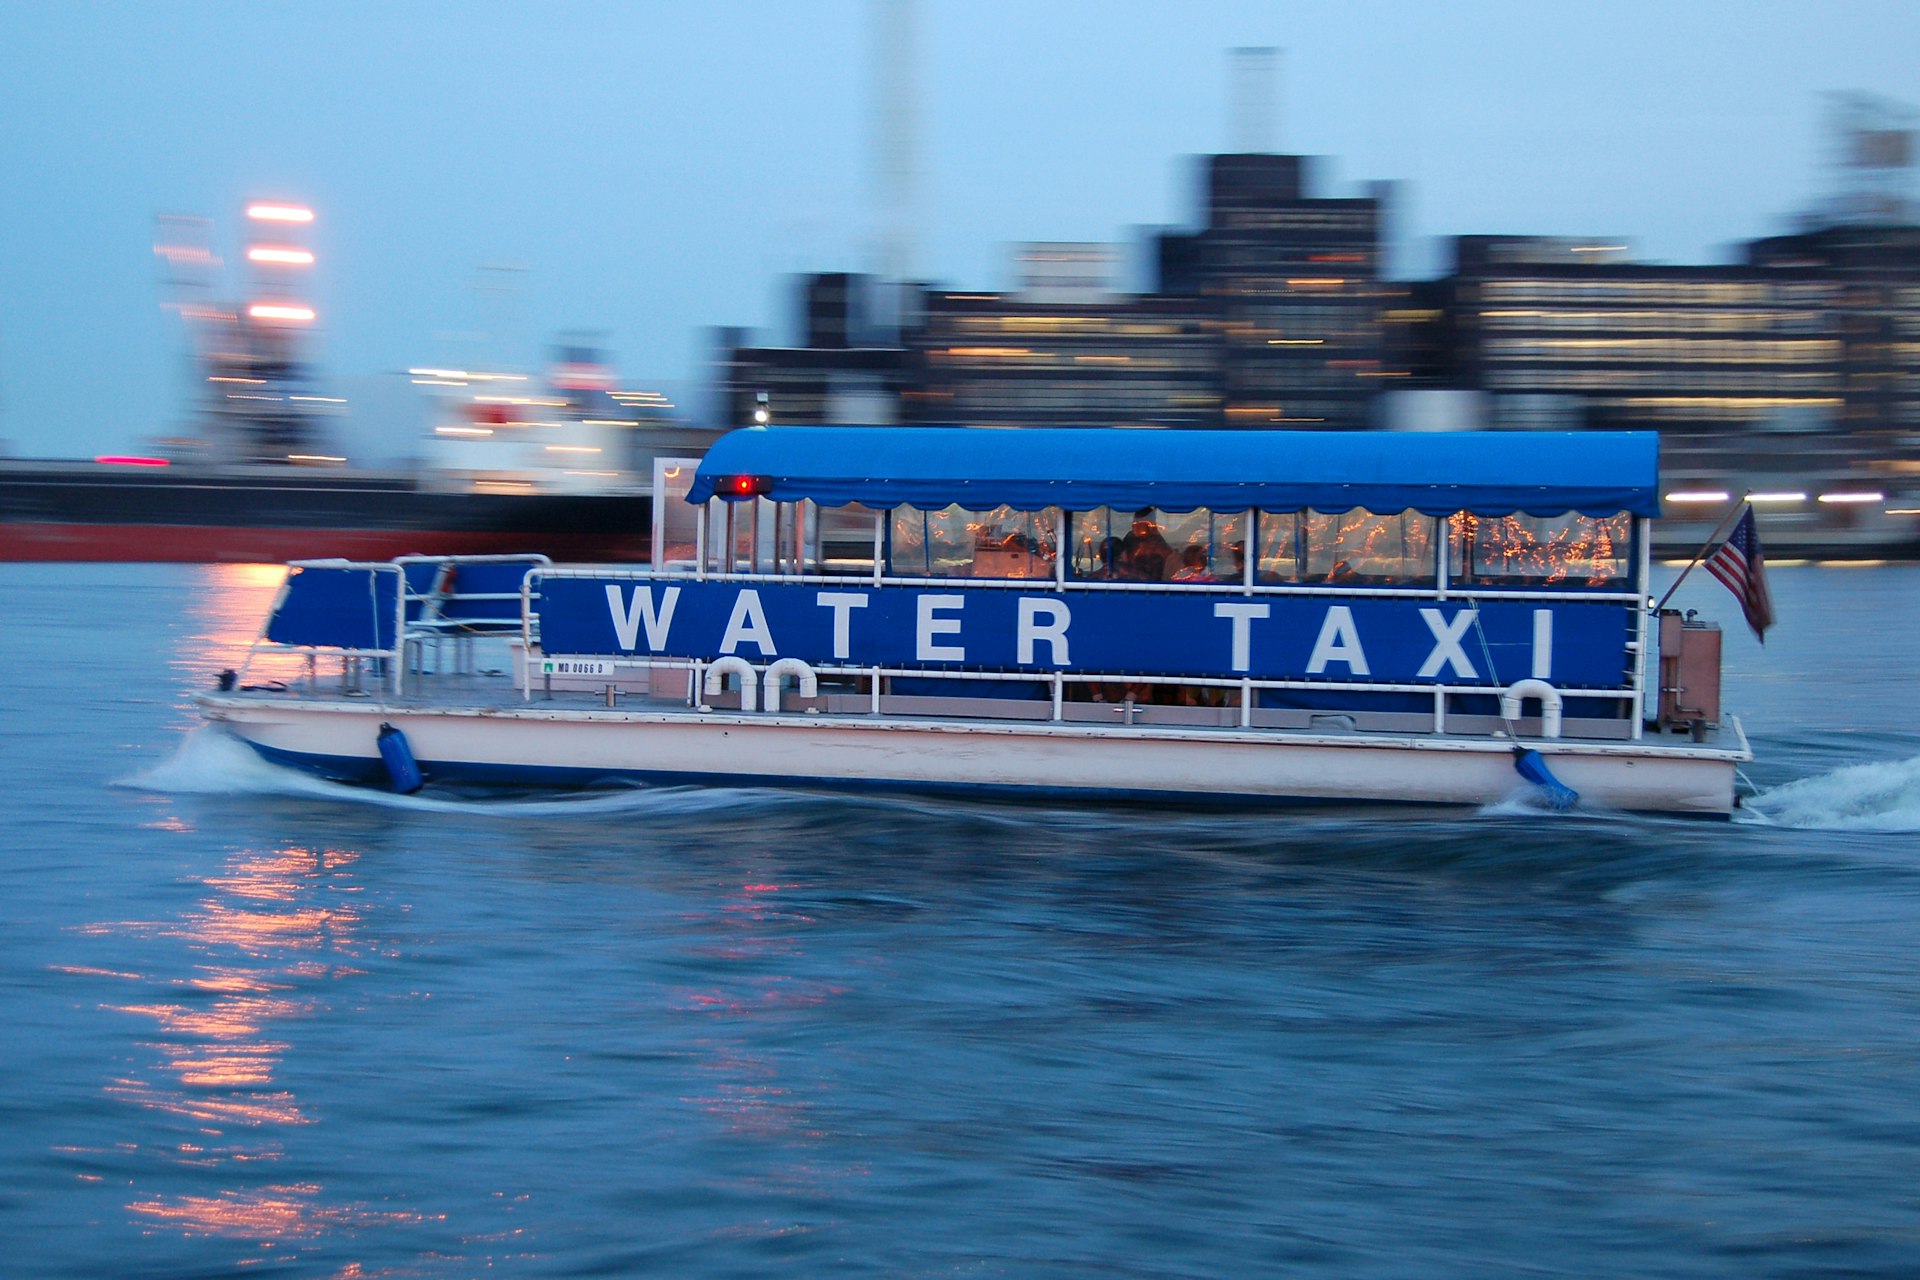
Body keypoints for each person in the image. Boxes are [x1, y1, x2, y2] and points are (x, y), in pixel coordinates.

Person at [1121, 509, 1173, 582]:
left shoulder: (1156, 539)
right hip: (1134, 581)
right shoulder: (1131, 539)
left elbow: (1167, 555)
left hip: (1156, 582)